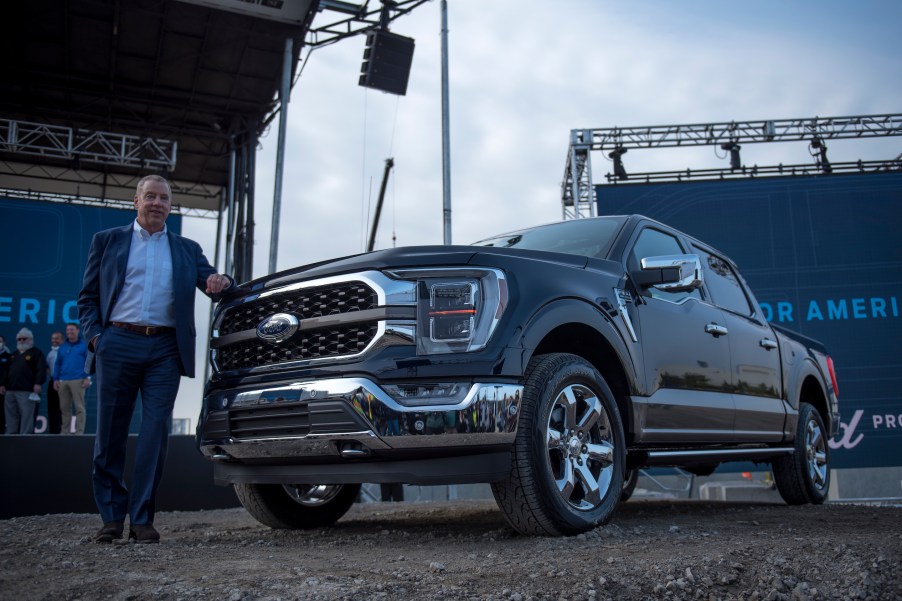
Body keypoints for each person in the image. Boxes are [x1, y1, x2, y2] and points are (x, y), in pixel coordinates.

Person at [78, 174, 235, 545]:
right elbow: (87, 298)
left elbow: (212, 282)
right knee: (110, 435)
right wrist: (97, 338)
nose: (157, 203)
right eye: (150, 196)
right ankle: (111, 519)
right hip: (117, 342)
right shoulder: (107, 241)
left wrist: (223, 280)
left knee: (155, 433)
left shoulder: (185, 248)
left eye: (164, 198)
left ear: (169, 205)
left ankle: (143, 518)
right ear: (136, 202)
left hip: (164, 349)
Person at [1, 328, 47, 434]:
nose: (21, 341)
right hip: (10, 390)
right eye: (19, 339)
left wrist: (38, 383)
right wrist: (3, 384)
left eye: (24, 338)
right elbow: (6, 371)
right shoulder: (13, 355)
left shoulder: (36, 353)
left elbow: (41, 369)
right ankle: (11, 435)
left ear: (30, 339)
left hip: (26, 391)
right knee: (10, 415)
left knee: (27, 415)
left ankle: (25, 436)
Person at [53, 323, 91, 434]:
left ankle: (79, 432)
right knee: (64, 408)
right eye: (68, 330)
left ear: (78, 330)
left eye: (72, 329)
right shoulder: (63, 347)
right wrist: (56, 379)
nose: (69, 331)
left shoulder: (84, 346)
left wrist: (87, 377)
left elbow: (89, 362)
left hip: (78, 380)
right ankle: (65, 432)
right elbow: (57, 364)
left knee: (79, 407)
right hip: (63, 380)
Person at [45, 331, 64, 433]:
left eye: (56, 338)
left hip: (63, 381)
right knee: (52, 408)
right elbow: (47, 368)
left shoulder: (65, 351)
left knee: (63, 408)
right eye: (53, 338)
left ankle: (62, 431)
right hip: (53, 382)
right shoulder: (51, 353)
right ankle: (53, 432)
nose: (54, 341)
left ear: (62, 340)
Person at [0, 335, 11, 434]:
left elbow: (8, 374)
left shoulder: (8, 357)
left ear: (4, 343)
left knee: (2, 413)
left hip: (2, 390)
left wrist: (3, 385)